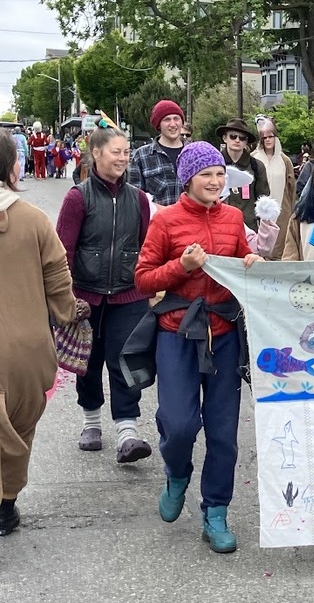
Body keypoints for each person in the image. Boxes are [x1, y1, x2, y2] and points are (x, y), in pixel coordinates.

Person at [135, 141, 264, 553]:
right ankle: (176, 472)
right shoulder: (166, 222)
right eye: (206, 174)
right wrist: (181, 267)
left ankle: (216, 512)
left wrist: (253, 263)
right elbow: (143, 278)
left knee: (224, 431)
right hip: (177, 334)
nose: (215, 181)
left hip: (224, 335)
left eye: (220, 174)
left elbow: (246, 260)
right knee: (179, 425)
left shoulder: (232, 218)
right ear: (188, 178)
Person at [55, 126, 154, 462]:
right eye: (116, 151)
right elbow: (63, 252)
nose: (123, 158)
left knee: (124, 360)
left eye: (126, 152)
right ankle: (91, 421)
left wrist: (150, 286)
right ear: (96, 153)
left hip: (128, 296)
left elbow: (145, 247)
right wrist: (65, 297)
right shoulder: (77, 198)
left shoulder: (139, 199)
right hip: (87, 296)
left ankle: (128, 432)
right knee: (89, 361)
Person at [0, 130, 80, 536]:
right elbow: (57, 277)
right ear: (12, 166)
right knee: (19, 425)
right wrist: (70, 313)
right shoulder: (32, 218)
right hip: (27, 350)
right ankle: (5, 503)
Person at [127, 99, 187, 207]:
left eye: (176, 118)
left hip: (192, 222)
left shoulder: (196, 153)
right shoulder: (141, 156)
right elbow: (135, 199)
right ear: (159, 125)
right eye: (167, 120)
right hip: (157, 222)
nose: (173, 124)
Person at [251, 116, 296, 259]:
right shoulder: (253, 158)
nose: (268, 140)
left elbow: (291, 188)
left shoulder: (285, 160)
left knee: (279, 250)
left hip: (282, 211)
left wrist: (292, 210)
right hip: (258, 211)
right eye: (264, 138)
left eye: (271, 136)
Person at [217, 117, 270, 231]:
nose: (237, 140)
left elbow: (263, 199)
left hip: (249, 228)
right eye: (233, 136)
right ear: (224, 138)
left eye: (242, 138)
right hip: (219, 226)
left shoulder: (257, 166)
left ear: (246, 142)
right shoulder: (214, 164)